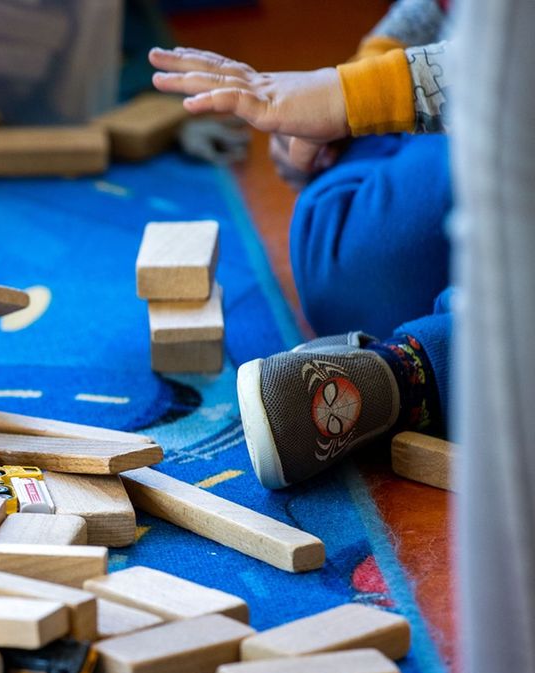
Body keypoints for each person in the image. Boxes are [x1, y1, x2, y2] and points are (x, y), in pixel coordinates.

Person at [147, 0, 453, 489]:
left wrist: (352, 97)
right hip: (481, 119)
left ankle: (411, 375)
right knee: (347, 273)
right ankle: (374, 148)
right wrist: (354, 101)